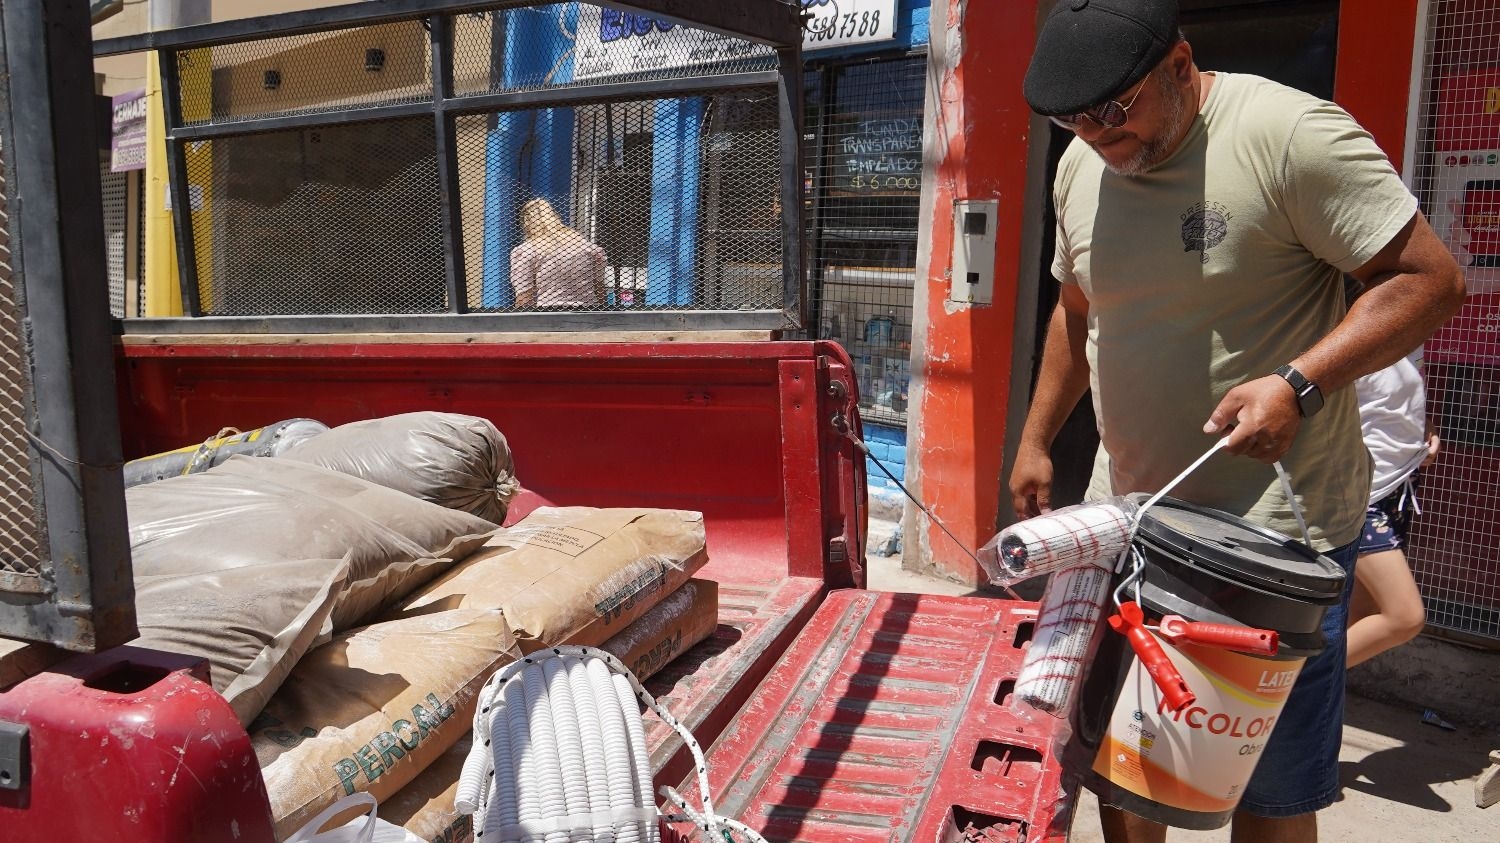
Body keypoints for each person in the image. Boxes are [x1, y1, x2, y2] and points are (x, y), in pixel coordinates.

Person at [1011, 2, 1465, 842]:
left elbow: (1429, 280)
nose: (1097, 135)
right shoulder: (1081, 161)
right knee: (1125, 772)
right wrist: (1039, 438)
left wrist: (1301, 382)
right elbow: (1080, 311)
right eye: (1072, 118)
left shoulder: (1291, 136)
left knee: (1268, 794)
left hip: (1274, 542)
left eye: (1117, 110)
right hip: (1135, 524)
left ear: (1182, 64)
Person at [1346, 350, 1439, 667]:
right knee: (1404, 617)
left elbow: (1398, 403)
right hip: (1360, 495)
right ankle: (1292, 686)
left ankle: (1303, 705)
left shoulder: (1412, 335)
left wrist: (1426, 429)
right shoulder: (1352, 321)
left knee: (1362, 617)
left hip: (1396, 490)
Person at [509, 198, 608, 309]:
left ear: (527, 223)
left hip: (549, 315)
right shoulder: (586, 247)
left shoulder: (528, 250)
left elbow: (524, 299)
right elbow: (600, 291)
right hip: (588, 314)